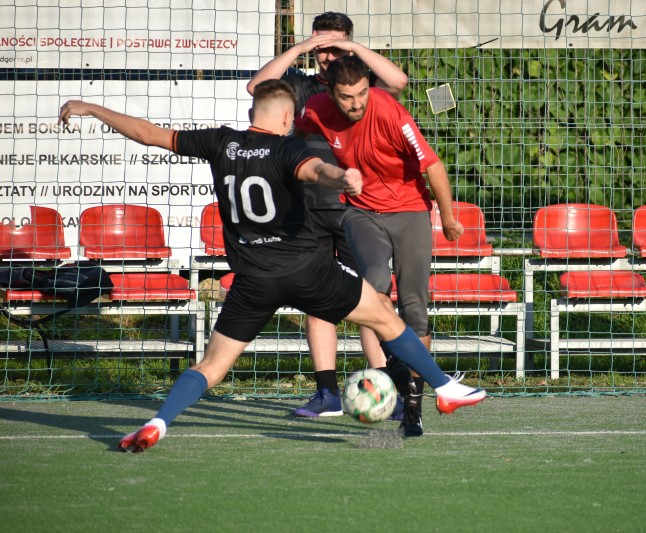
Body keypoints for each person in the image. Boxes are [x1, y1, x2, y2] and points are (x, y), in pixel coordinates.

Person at [58, 80, 486, 453]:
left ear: (252, 114)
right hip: (307, 271)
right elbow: (315, 170)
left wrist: (92, 108)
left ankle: (159, 421)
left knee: (210, 367)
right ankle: (445, 388)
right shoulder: (288, 146)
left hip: (252, 280)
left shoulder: (220, 142)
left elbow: (150, 134)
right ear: (287, 117)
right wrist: (341, 178)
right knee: (385, 316)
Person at [247, 11, 412, 420]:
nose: (327, 55)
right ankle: (326, 394)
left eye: (335, 47)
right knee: (317, 301)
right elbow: (255, 87)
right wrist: (303, 48)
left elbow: (398, 81)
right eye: (321, 48)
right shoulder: (300, 85)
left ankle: (385, 388)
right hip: (305, 211)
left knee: (373, 301)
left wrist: (352, 49)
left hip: (359, 210)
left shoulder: (362, 87)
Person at [294, 55, 465, 438]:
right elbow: (294, 138)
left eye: (361, 94)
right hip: (361, 212)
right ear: (330, 93)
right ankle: (395, 369)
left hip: (410, 210)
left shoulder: (389, 111)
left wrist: (448, 217)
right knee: (372, 284)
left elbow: (432, 165)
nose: (356, 103)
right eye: (347, 97)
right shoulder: (316, 108)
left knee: (415, 308)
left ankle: (414, 409)